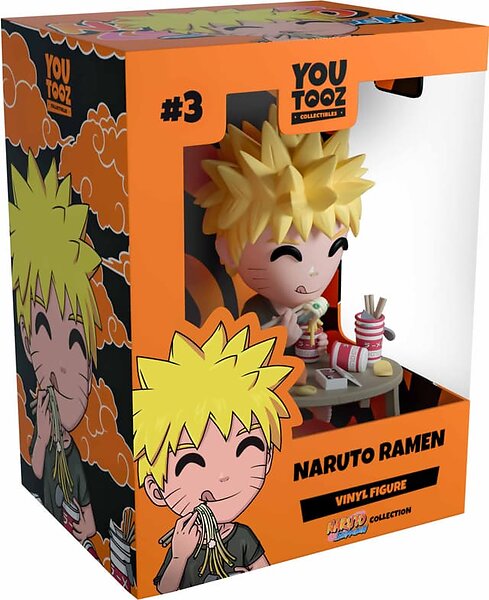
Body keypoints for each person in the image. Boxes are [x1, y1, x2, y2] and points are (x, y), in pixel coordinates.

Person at [195, 104, 373, 404]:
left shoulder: (309, 306)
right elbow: (246, 359)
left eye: (335, 250)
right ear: (227, 251)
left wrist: (316, 341)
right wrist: (281, 338)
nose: (314, 273)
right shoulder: (258, 309)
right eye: (288, 255)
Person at [133, 311, 298, 592]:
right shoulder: (183, 542)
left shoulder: (242, 536)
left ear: (268, 458)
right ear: (156, 490)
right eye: (191, 461)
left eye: (246, 446)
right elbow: (163, 590)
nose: (223, 476)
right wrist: (179, 555)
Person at [9, 152, 100, 542]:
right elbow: (36, 470)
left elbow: (91, 521)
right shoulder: (47, 429)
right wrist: (43, 434)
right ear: (27, 336)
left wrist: (85, 528)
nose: (61, 368)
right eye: (42, 328)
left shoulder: (73, 459)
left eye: (76, 341)